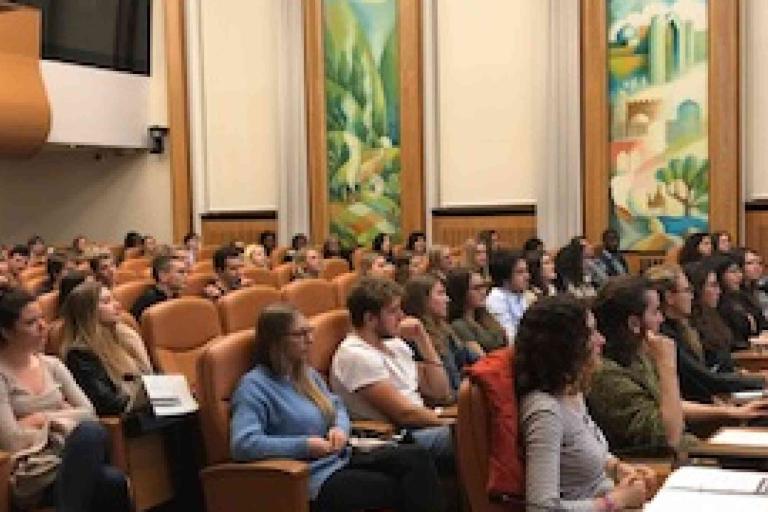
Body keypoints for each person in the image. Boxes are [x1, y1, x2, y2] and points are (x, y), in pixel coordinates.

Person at [231, 303, 445, 512]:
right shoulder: (253, 386)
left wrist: (340, 428)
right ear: (276, 342)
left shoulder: (305, 374)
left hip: (343, 455)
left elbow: (337, 405)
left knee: (416, 458)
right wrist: (304, 445)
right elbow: (244, 444)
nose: (310, 340)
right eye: (300, 334)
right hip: (313, 475)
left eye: (310, 332)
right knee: (395, 486)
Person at [588, 276, 768, 456]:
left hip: (688, 449)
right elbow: (669, 437)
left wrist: (729, 412)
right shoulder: (607, 375)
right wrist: (667, 365)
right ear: (634, 323)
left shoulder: (636, 355)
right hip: (664, 462)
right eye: (656, 312)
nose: (661, 319)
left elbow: (667, 405)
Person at [0, 285, 131, 511]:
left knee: (110, 474)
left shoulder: (52, 365)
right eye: (31, 323)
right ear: (6, 331)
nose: (43, 327)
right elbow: (12, 440)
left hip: (72, 454)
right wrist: (65, 416)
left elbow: (89, 412)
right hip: (32, 469)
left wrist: (40, 418)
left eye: (42, 318)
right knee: (103, 462)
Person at [516, 296, 652, 512]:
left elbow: (580, 450)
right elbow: (541, 508)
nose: (601, 340)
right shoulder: (545, 411)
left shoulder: (572, 392)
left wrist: (617, 468)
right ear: (567, 345)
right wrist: (615, 501)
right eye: (591, 333)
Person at [330, 277, 454, 469]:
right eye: (393, 311)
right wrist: (453, 423)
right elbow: (404, 414)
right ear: (370, 319)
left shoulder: (394, 344)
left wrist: (423, 338)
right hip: (396, 437)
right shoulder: (355, 355)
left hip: (423, 423)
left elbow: (440, 392)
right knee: (472, 433)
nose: (402, 317)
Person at [645, 264, 764, 403]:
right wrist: (761, 380)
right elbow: (705, 379)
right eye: (687, 290)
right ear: (669, 297)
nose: (692, 296)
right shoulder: (663, 335)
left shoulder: (683, 328)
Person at [59, 282, 153, 416]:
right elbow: (108, 404)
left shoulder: (123, 336)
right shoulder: (80, 354)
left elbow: (146, 374)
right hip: (124, 418)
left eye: (114, 299)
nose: (117, 305)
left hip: (143, 408)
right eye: (106, 301)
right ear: (88, 312)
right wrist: (149, 395)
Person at [403, 274, 482, 393]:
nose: (447, 299)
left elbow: (471, 358)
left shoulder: (445, 331)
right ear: (422, 300)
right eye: (440, 293)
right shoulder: (413, 337)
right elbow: (441, 393)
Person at [712, 252, 768, 350]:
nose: (739, 276)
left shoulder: (743, 297)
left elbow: (762, 322)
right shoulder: (718, 304)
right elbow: (729, 340)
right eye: (733, 272)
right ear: (720, 275)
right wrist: (751, 343)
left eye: (739, 271)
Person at [445, 267, 507, 353]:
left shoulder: (486, 316)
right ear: (462, 292)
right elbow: (481, 358)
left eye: (483, 287)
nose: (483, 292)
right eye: (476, 288)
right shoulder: (458, 325)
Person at [486, 249, 531, 342]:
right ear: (505, 276)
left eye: (526, 271)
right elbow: (510, 337)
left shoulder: (519, 294)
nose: (527, 276)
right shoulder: (496, 298)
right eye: (520, 272)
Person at [131, 255, 188, 320]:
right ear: (163, 276)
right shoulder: (148, 302)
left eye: (186, 272)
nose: (186, 276)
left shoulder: (175, 297)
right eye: (181, 272)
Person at [736, 247, 768, 319]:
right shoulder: (737, 293)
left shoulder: (760, 288)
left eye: (760, 263)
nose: (757, 267)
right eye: (750, 263)